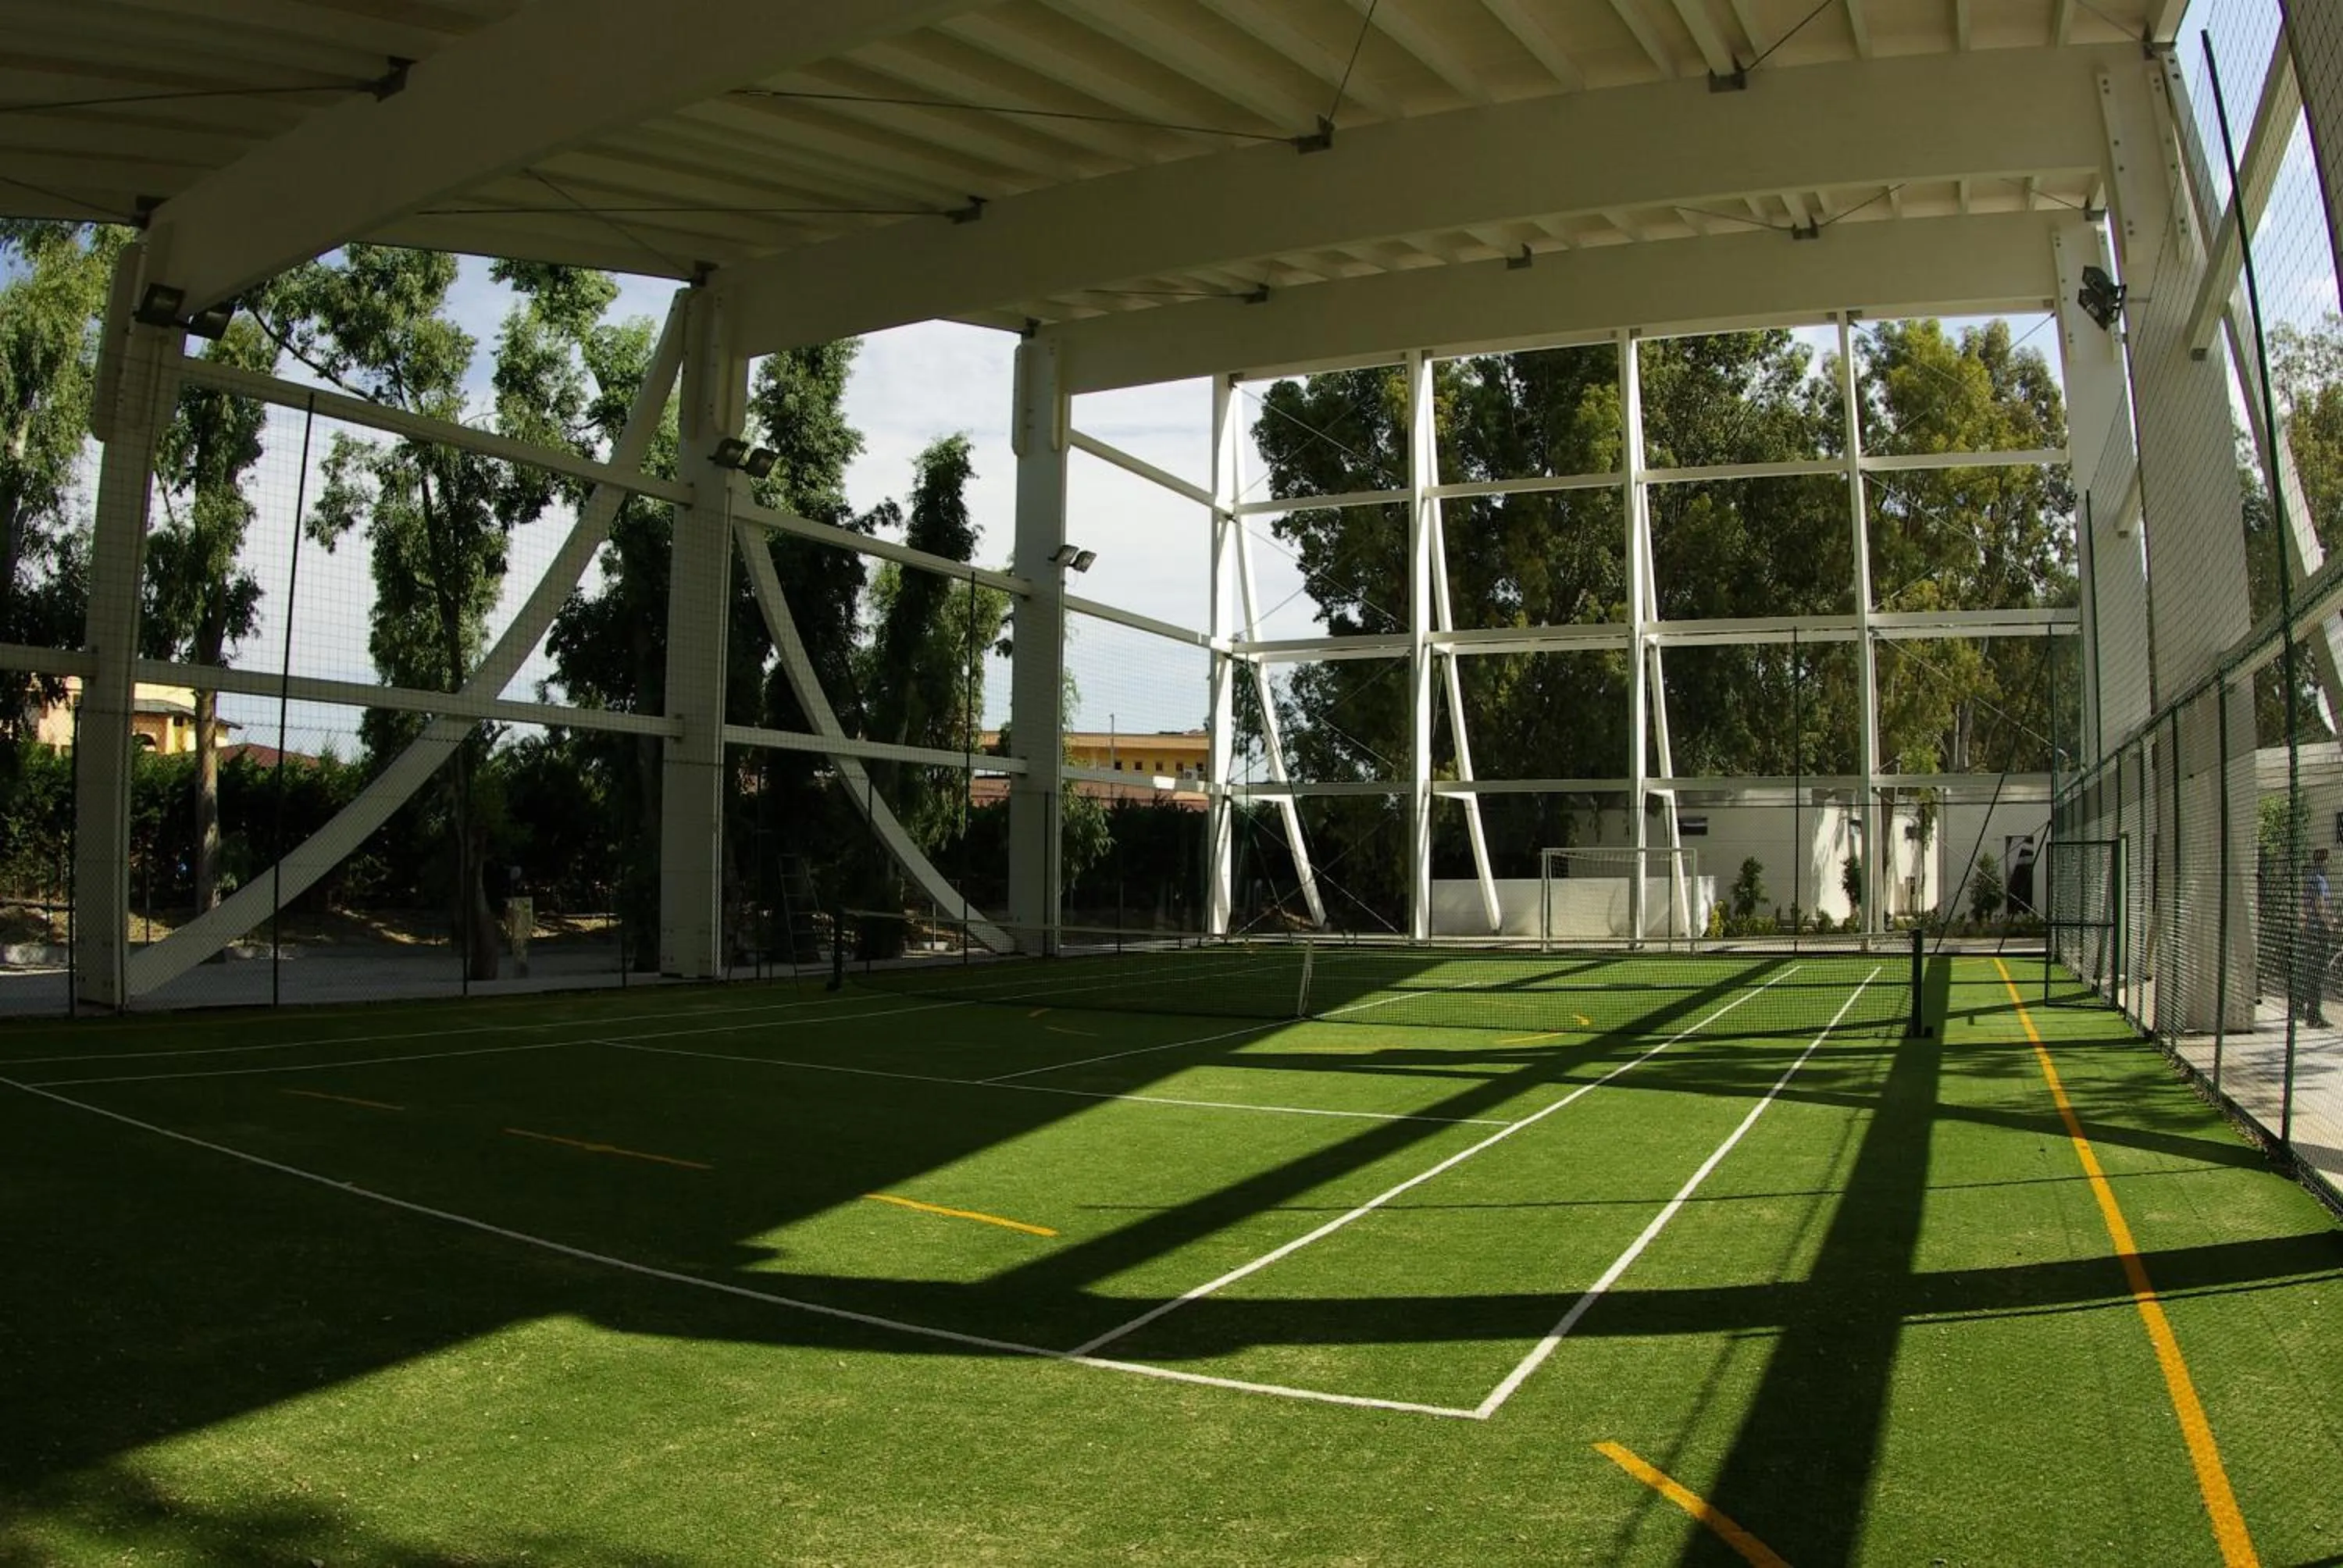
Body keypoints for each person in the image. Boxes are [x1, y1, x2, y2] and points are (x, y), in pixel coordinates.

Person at [2299, 847, 2333, 1027]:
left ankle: (2301, 1007)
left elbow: (2305, 904)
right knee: (2318, 973)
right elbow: (2320, 905)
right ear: (2325, 861)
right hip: (2319, 930)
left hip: (2310, 929)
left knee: (2309, 970)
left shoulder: (2309, 878)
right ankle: (2314, 1014)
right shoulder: (2320, 879)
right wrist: (2330, 923)